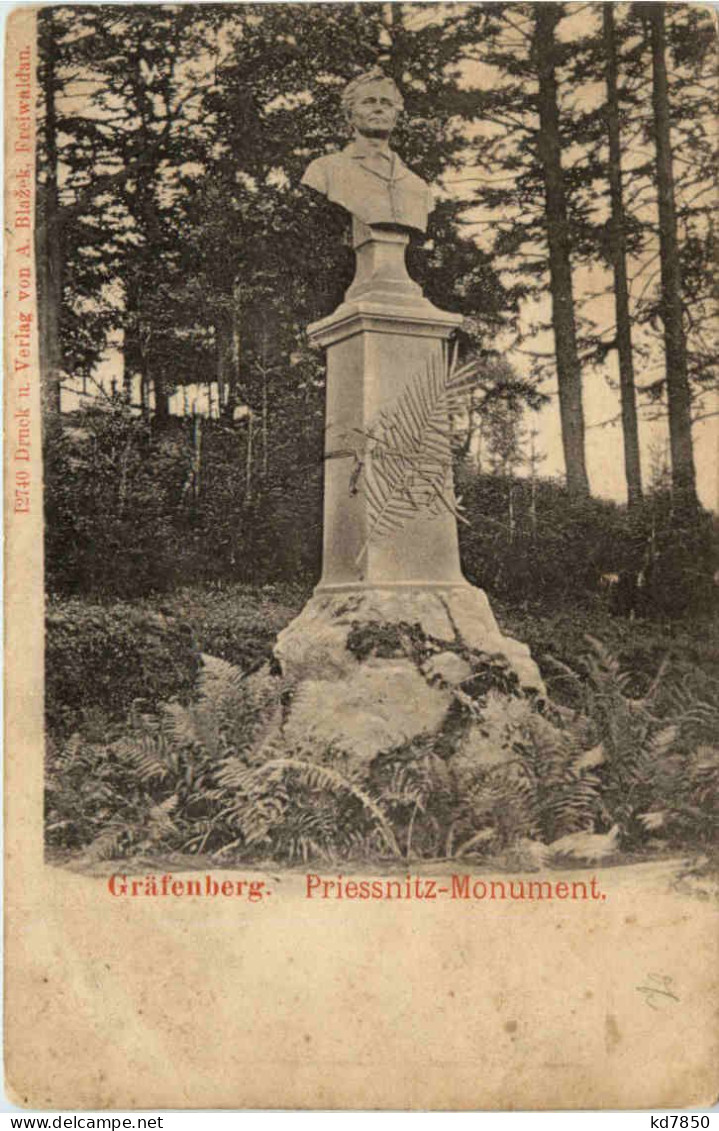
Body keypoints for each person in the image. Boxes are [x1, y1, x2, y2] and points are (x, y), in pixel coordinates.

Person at [301, 68, 434, 235]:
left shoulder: (417, 186)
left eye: (386, 103)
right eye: (369, 102)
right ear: (349, 115)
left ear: (396, 116)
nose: (378, 108)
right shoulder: (325, 171)